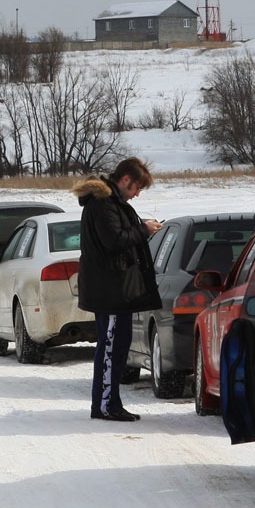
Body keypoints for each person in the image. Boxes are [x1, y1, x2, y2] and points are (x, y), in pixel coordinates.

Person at [73, 157, 162, 422]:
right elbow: (114, 240)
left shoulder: (112, 202)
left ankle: (111, 403)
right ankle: (104, 405)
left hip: (116, 291)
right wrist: (142, 230)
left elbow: (119, 235)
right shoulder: (103, 204)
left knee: (118, 346)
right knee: (111, 348)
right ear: (126, 180)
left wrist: (139, 227)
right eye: (137, 188)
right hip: (108, 291)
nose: (136, 195)